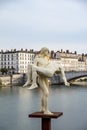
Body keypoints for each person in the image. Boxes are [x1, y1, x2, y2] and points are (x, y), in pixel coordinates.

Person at [23, 47, 70, 114]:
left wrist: (65, 81)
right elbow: (34, 69)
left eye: (48, 52)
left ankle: (42, 108)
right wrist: (33, 79)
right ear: (43, 51)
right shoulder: (37, 59)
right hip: (41, 78)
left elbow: (49, 67)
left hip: (46, 78)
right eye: (47, 51)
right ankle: (46, 110)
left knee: (44, 94)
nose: (48, 53)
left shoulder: (47, 58)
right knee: (46, 93)